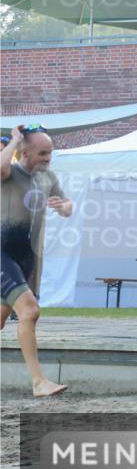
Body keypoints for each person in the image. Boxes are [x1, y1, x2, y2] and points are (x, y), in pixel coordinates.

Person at [1, 124, 72, 397]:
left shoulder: (47, 178)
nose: (47, 158)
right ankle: (39, 382)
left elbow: (68, 207)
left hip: (24, 259)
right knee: (30, 311)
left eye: (50, 152)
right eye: (42, 153)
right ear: (25, 153)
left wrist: (63, 207)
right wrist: (15, 140)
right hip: (1, 253)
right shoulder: (9, 172)